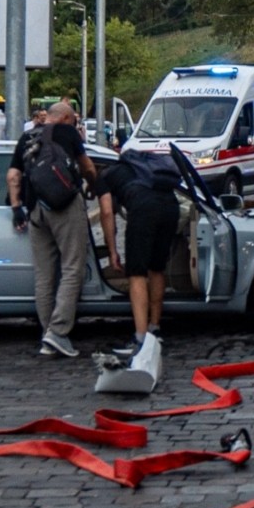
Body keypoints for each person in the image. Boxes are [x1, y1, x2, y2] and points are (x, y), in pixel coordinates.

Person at [7, 102, 99, 357]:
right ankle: (58, 333)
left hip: (35, 209)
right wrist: (93, 185)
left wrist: (17, 208)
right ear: (67, 118)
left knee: (44, 275)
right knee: (72, 268)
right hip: (64, 205)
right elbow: (88, 166)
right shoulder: (67, 133)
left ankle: (48, 334)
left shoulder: (27, 137)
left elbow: (13, 176)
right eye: (76, 120)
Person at [97, 151, 182, 357]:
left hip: (144, 209)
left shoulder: (104, 177)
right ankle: (155, 328)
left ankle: (140, 338)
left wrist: (112, 251)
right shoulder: (143, 170)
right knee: (156, 268)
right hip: (171, 207)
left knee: (137, 273)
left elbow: (107, 212)